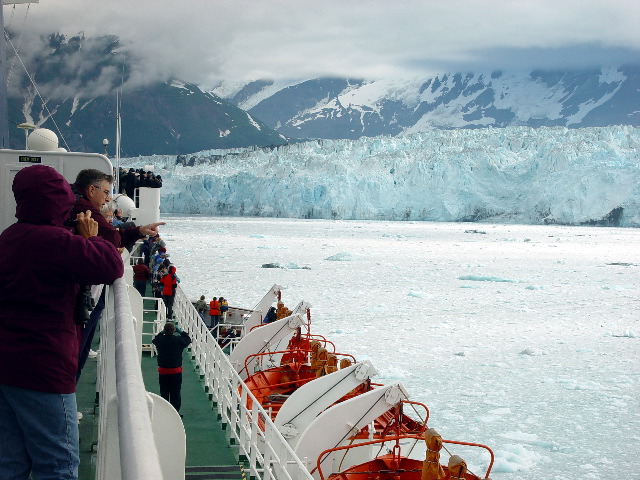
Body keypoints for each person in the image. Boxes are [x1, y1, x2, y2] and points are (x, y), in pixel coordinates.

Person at [0, 165, 123, 480]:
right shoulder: (55, 241)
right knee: (57, 465)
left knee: (10, 463)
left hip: (7, 364)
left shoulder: (9, 237)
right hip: (45, 368)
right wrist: (90, 237)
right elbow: (111, 265)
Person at [70, 169, 164, 381]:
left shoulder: (77, 204)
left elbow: (112, 237)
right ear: (91, 190)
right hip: (80, 294)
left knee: (78, 348)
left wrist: (138, 231)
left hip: (85, 292)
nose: (108, 198)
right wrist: (111, 243)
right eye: (105, 192)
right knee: (76, 350)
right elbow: (112, 239)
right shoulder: (84, 208)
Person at [152, 322, 191, 413]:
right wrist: (181, 332)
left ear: (164, 331)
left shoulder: (160, 340)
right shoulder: (178, 340)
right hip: (175, 372)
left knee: (164, 392)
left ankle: (165, 412)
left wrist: (161, 333)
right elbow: (188, 339)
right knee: (175, 393)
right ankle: (175, 413)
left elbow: (155, 339)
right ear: (174, 331)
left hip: (163, 372)